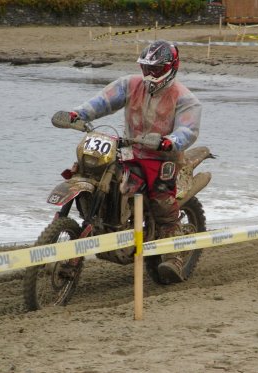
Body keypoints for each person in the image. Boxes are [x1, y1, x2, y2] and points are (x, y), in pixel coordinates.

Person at [66, 40, 202, 284]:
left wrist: (169, 141)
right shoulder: (129, 84)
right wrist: (78, 114)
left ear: (171, 67)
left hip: (163, 157)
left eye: (156, 69)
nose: (150, 73)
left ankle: (174, 256)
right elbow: (103, 101)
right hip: (130, 149)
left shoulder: (185, 98)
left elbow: (188, 130)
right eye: (146, 68)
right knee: (93, 170)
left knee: (161, 199)